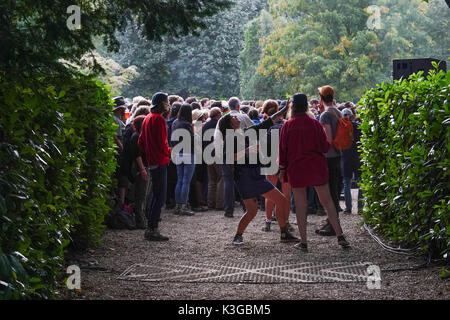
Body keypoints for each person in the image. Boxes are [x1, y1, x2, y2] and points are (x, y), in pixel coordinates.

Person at [218, 105, 299, 245]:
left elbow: (267, 122)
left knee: (280, 199)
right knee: (252, 211)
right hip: (244, 178)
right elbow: (229, 158)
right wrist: (247, 151)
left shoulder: (247, 131)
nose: (236, 117)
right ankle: (238, 235)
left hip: (257, 175)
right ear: (230, 124)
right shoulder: (229, 139)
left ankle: (284, 233)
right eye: (233, 117)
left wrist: (283, 110)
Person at [279, 93, 350, 252]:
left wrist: (283, 168)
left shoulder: (287, 126)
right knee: (328, 203)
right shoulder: (315, 124)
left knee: (301, 206)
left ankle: (304, 242)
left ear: (292, 106)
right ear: (306, 106)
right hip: (316, 167)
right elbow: (325, 147)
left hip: (296, 168)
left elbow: (283, 150)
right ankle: (340, 236)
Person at [138, 92, 171, 241]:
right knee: (160, 196)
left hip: (151, 161)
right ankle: (152, 229)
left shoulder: (147, 118)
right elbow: (163, 142)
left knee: (155, 195)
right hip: (160, 161)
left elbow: (141, 142)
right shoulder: (159, 119)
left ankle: (150, 227)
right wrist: (168, 154)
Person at [214, 97, 254, 218]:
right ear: (238, 106)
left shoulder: (222, 119)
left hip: (226, 154)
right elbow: (254, 132)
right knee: (242, 181)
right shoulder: (244, 117)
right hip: (242, 153)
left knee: (228, 182)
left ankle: (228, 210)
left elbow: (217, 137)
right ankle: (245, 208)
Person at [260, 100, 292, 233]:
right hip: (285, 161)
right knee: (286, 194)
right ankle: (285, 221)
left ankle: (268, 221)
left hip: (269, 161)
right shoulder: (286, 126)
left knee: (270, 193)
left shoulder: (264, 126)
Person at [316, 85, 344, 236]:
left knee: (329, 192)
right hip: (338, 154)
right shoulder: (337, 111)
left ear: (321, 98)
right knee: (334, 189)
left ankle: (333, 225)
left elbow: (328, 139)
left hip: (328, 157)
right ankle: (331, 221)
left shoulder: (325, 115)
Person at [171, 103, 196, 216]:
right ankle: (183, 205)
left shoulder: (175, 122)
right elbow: (192, 140)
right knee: (186, 181)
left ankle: (177, 205)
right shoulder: (187, 125)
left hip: (177, 153)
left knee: (179, 180)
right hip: (188, 153)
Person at [341, 108, 363, 214]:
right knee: (360, 183)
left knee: (346, 183)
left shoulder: (341, 128)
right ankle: (360, 208)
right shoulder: (358, 126)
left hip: (346, 157)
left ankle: (348, 208)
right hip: (358, 157)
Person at [203, 107, 224, 210]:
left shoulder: (205, 125)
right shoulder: (219, 124)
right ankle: (219, 203)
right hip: (217, 154)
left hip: (207, 154)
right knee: (221, 178)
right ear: (218, 115)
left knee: (211, 180)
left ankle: (210, 202)